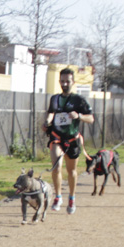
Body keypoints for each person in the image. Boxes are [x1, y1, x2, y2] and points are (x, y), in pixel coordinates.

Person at [43, 68, 94, 214]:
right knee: (56, 166)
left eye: (68, 81)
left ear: (73, 82)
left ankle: (72, 197)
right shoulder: (55, 98)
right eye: (62, 81)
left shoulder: (79, 100)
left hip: (72, 139)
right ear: (59, 81)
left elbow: (91, 118)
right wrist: (46, 122)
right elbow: (51, 113)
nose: (65, 83)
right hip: (57, 138)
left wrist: (78, 116)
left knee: (71, 170)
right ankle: (58, 196)